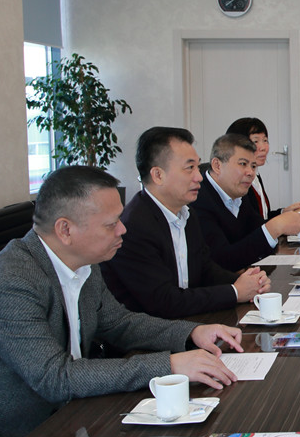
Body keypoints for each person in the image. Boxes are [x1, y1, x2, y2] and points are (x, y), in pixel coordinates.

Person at [0, 166, 243, 437]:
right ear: (65, 230)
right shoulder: (8, 282)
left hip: (66, 421)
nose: (122, 230)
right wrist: (168, 365)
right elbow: (56, 378)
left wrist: (193, 332)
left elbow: (118, 323)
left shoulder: (82, 261)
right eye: (111, 224)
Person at [101, 127, 270, 319]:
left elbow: (205, 269)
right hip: (153, 331)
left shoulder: (187, 213)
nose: (199, 176)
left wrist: (247, 282)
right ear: (158, 175)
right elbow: (164, 301)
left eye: (197, 167)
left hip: (188, 320)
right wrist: (235, 291)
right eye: (190, 168)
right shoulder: (133, 227)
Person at [191, 133, 300, 271]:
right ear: (217, 165)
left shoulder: (237, 190)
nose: (250, 172)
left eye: (253, 166)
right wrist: (274, 228)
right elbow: (222, 260)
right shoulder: (198, 200)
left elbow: (256, 229)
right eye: (243, 164)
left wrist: (282, 224)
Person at [226, 117, 300, 219]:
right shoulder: (238, 182)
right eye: (255, 141)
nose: (263, 147)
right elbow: (249, 225)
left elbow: (262, 217)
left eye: (265, 140)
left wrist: (283, 212)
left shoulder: (255, 176)